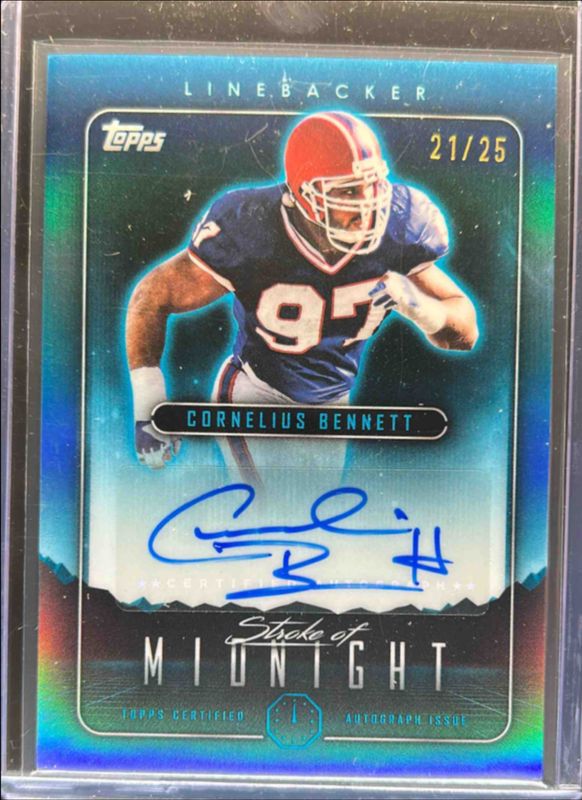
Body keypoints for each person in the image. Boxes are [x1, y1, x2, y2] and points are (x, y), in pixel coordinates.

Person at [126, 111, 478, 470]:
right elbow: (151, 298)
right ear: (304, 194)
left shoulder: (402, 226)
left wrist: (425, 310)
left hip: (333, 403)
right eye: (348, 190)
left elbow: (465, 332)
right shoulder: (251, 226)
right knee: (268, 502)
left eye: (373, 185)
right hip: (256, 393)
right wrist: (147, 405)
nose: (367, 206)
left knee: (316, 504)